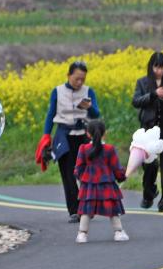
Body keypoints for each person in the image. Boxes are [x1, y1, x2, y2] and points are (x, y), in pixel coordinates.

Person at [36, 61, 101, 223]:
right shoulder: (57, 91)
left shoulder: (88, 91)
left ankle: (88, 206)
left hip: (83, 136)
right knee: (68, 174)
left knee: (86, 173)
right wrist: (46, 135)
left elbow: (96, 114)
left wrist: (89, 107)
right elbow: (51, 114)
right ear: (68, 75)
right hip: (64, 135)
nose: (80, 82)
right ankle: (75, 211)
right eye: (76, 78)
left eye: (83, 79)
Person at [130, 51, 163, 212]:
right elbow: (136, 101)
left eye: (162, 67)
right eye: (156, 67)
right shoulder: (143, 82)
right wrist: (153, 95)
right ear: (151, 67)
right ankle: (149, 192)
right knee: (148, 162)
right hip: (149, 127)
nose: (159, 71)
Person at [74, 120, 129, 243]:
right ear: (105, 133)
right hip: (107, 184)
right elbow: (116, 168)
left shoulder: (83, 148)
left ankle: (82, 234)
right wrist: (122, 176)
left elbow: (78, 169)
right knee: (112, 209)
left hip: (89, 185)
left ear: (88, 134)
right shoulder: (109, 149)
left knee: (86, 210)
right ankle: (118, 232)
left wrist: (83, 181)